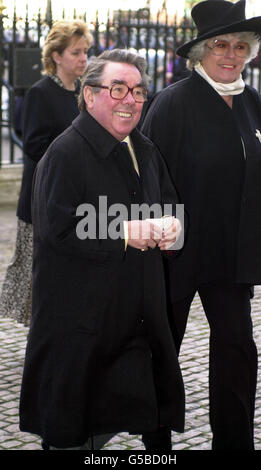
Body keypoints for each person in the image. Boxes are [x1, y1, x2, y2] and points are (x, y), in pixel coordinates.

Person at [19, 48, 185, 451]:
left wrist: (173, 229)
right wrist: (125, 230)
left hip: (136, 324)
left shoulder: (144, 149)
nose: (130, 99)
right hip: (82, 329)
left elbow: (167, 209)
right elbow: (57, 228)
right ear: (89, 95)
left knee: (146, 419)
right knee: (75, 433)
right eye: (117, 89)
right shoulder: (64, 153)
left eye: (139, 91)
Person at [142, 0, 261, 450]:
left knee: (237, 348)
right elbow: (147, 181)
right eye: (219, 45)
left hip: (232, 254)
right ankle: (156, 447)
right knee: (163, 349)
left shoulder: (253, 103)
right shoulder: (172, 103)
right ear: (200, 53)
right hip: (177, 251)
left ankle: (234, 443)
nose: (229, 55)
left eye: (239, 46)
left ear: (249, 52)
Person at [0, 20, 92, 326]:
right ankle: (42, 337)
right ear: (56, 56)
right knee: (38, 275)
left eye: (86, 52)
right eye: (76, 52)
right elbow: (34, 145)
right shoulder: (40, 93)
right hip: (43, 197)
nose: (83, 59)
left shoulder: (84, 91)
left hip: (77, 197)